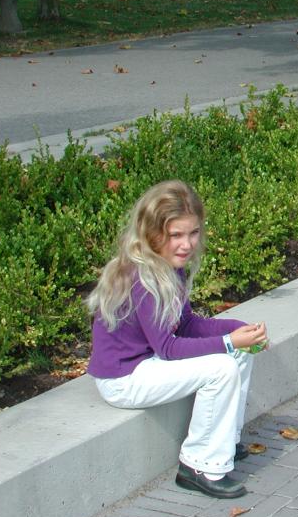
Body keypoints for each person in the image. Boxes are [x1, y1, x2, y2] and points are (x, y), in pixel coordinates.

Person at [86, 180, 268, 499]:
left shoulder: (170, 267)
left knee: (240, 353)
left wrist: (240, 330)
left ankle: (225, 441)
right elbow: (169, 348)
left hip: (148, 362)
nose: (187, 244)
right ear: (153, 234)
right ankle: (199, 466)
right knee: (223, 366)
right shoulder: (142, 278)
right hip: (124, 378)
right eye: (176, 235)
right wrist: (228, 342)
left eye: (193, 233)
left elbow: (185, 324)